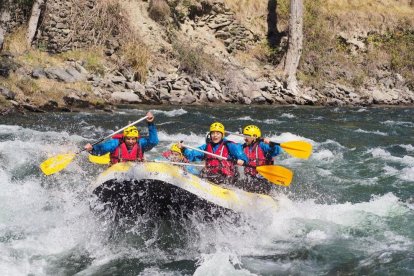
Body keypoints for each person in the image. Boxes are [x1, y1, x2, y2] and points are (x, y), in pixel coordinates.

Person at [179, 122, 248, 185]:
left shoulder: (229, 145)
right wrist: (183, 149)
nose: (215, 136)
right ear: (210, 135)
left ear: (222, 135)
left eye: (218, 133)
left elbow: (240, 153)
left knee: (215, 177)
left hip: (226, 177)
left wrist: (242, 160)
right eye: (213, 133)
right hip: (211, 174)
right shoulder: (206, 147)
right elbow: (192, 155)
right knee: (202, 173)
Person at [84, 111, 158, 164]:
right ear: (124, 138)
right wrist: (92, 149)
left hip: (136, 171)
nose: (131, 141)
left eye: (133, 139)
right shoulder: (115, 143)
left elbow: (153, 142)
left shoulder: (141, 143)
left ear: (136, 138)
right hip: (117, 171)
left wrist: (150, 123)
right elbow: (102, 149)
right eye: (128, 139)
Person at [238, 124, 282, 194]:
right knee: (237, 183)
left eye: (246, 136)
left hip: (264, 180)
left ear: (254, 137)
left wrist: (271, 144)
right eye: (244, 136)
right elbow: (234, 148)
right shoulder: (244, 146)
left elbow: (277, 151)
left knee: (253, 186)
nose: (244, 138)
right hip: (250, 178)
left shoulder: (263, 145)